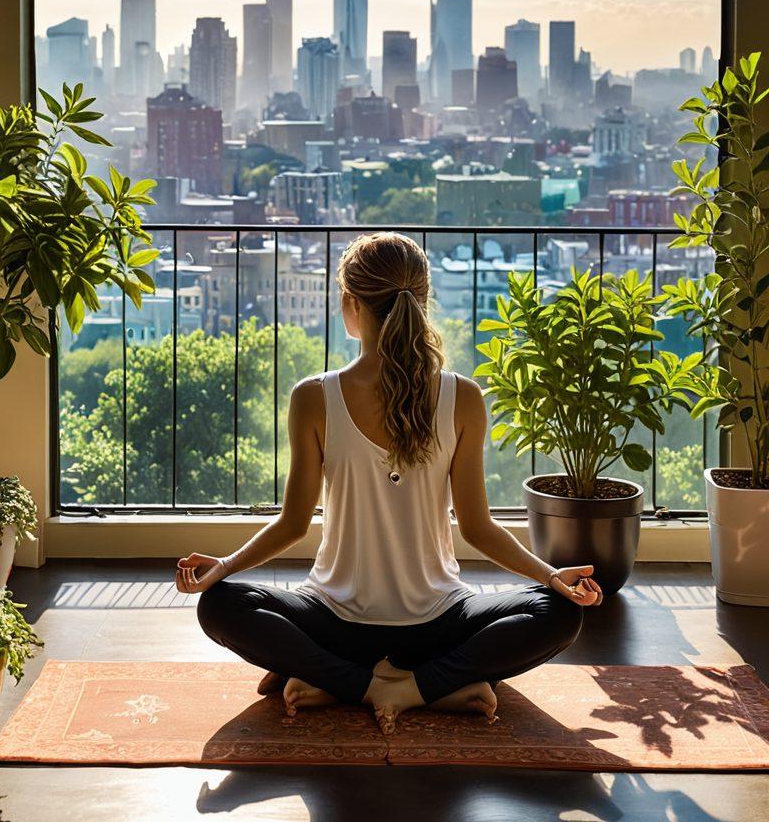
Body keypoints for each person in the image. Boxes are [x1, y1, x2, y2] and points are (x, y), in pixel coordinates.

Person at [175, 232, 601, 734]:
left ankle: (346, 682)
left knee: (222, 605)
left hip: (334, 626)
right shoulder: (463, 396)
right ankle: (428, 686)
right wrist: (551, 577)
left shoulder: (312, 396)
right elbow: (478, 528)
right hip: (437, 628)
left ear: (350, 304)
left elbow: (293, 523)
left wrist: (221, 568)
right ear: (422, 302)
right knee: (557, 615)